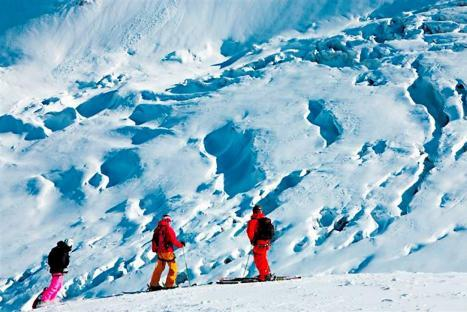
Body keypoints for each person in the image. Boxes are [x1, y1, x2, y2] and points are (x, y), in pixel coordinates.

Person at [148, 215, 185, 291]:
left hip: (160, 252)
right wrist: (181, 245)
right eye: (170, 221)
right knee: (173, 267)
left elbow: (154, 240)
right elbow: (173, 240)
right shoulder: (168, 229)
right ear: (168, 221)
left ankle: (153, 284)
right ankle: (169, 285)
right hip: (167, 251)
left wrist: (155, 250)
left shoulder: (157, 229)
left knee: (159, 268)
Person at [34, 239, 73, 308]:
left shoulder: (64, 251)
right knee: (54, 286)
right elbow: (57, 261)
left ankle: (51, 300)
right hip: (57, 270)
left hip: (60, 270)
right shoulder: (60, 250)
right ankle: (43, 301)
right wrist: (60, 267)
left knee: (58, 286)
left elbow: (63, 261)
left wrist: (64, 268)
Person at [247, 205, 275, 281]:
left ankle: (264, 276)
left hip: (259, 243)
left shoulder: (253, 221)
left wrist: (253, 241)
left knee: (259, 259)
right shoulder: (264, 220)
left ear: (253, 211)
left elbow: (250, 232)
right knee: (263, 258)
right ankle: (267, 273)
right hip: (266, 243)